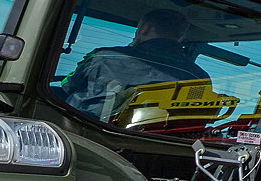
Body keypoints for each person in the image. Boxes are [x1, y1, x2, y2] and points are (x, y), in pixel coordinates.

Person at [61, 8, 210, 118]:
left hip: (86, 128)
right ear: (181, 37)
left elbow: (68, 85)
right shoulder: (199, 78)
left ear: (145, 29)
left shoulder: (102, 56)